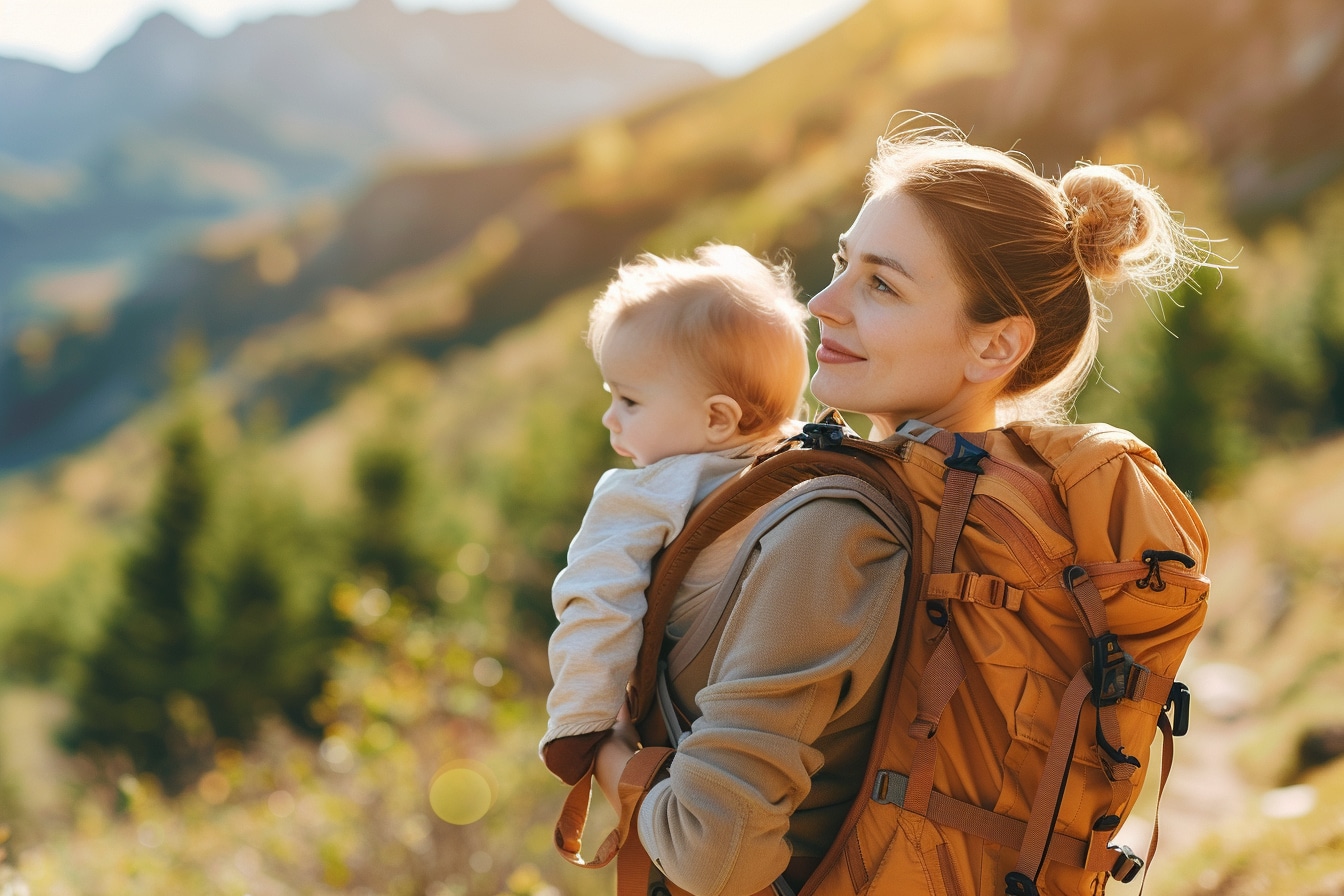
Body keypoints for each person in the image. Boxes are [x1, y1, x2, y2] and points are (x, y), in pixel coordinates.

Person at [591, 116, 1214, 896]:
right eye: (842, 264)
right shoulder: (1027, 503)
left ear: (994, 348)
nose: (824, 302)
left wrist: (608, 753)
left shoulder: (838, 527)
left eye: (881, 285)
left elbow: (715, 854)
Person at [540, 243, 811, 785]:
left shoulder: (643, 493)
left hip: (688, 722)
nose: (609, 418)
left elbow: (597, 594)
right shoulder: (807, 467)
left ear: (717, 417)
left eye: (630, 401)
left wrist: (578, 720)